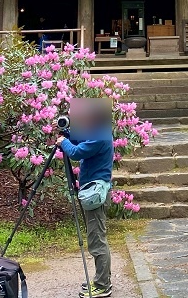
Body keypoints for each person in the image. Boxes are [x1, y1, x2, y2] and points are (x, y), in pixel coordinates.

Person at [58, 101, 114, 298]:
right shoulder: (100, 131)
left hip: (95, 192)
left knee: (96, 240)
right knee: (97, 237)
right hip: (95, 189)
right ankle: (103, 279)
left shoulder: (99, 137)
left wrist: (63, 143)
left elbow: (76, 152)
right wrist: (68, 135)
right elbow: (81, 138)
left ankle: (102, 285)